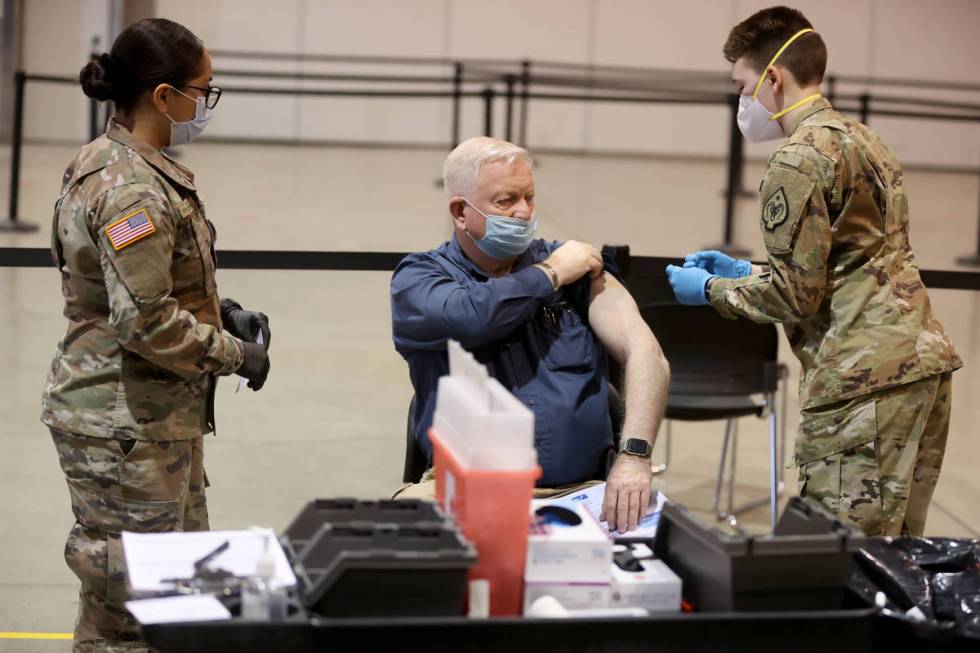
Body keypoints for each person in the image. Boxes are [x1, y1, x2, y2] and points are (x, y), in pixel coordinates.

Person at [666, 6, 961, 536]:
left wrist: (711, 290)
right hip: (920, 366)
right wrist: (746, 271)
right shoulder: (865, 139)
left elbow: (795, 296)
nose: (742, 101)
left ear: (773, 78)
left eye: (742, 85)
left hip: (862, 383)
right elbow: (849, 260)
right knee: (900, 561)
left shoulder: (796, 160)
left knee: (841, 561)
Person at [41, 18, 271, 651]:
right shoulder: (132, 189)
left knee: (161, 590)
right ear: (165, 95)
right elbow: (142, 320)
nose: (207, 103)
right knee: (133, 607)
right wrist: (234, 353)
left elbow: (133, 283)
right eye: (203, 89)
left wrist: (219, 311)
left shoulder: (118, 162)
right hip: (123, 423)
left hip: (150, 417)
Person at [391, 136, 670, 533]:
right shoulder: (420, 280)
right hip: (465, 494)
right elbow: (473, 316)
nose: (523, 212)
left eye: (529, 197)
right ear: (460, 212)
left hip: (582, 492)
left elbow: (645, 354)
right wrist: (552, 273)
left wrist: (635, 457)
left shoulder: (577, 271)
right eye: (506, 201)